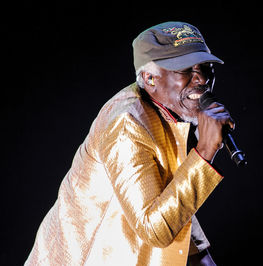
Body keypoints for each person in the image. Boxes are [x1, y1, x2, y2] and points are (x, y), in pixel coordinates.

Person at [25, 21, 234, 266]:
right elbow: (154, 230)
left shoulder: (165, 110)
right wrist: (205, 151)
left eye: (206, 67)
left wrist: (201, 255)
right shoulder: (126, 124)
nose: (201, 79)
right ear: (150, 78)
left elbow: (169, 193)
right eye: (185, 69)